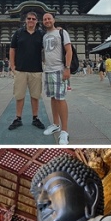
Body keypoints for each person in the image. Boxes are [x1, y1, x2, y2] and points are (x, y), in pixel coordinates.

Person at [8, 11, 46, 131]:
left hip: (36, 70)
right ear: (25, 20)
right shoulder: (19, 33)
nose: (31, 20)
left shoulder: (41, 34)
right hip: (20, 69)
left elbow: (48, 47)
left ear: (36, 21)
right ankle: (18, 118)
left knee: (35, 95)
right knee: (19, 95)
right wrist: (12, 65)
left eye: (33, 19)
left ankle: (35, 118)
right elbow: (12, 49)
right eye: (29, 18)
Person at [41, 12, 71, 145]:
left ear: (53, 20)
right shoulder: (45, 36)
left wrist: (67, 68)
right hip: (48, 70)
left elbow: (69, 50)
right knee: (53, 98)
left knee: (61, 98)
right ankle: (55, 124)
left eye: (49, 18)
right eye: (45, 19)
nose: (47, 20)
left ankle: (64, 131)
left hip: (59, 69)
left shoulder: (62, 32)